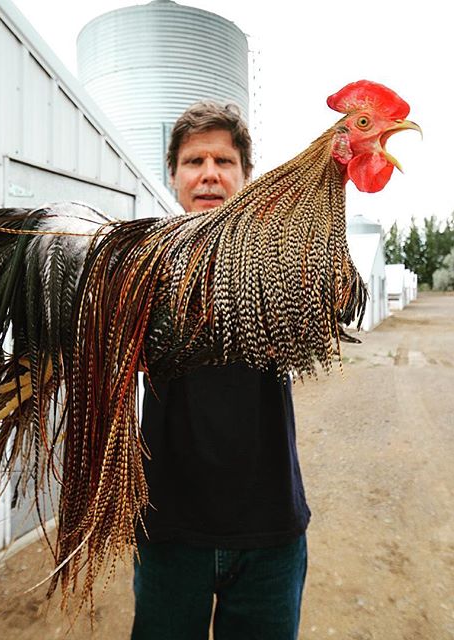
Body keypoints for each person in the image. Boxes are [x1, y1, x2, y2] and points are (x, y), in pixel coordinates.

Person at [131, 101, 310, 640]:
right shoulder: (138, 265)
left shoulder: (282, 256)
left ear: (246, 175)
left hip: (270, 529)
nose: (209, 173)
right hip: (169, 528)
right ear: (173, 176)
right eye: (193, 161)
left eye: (224, 161)